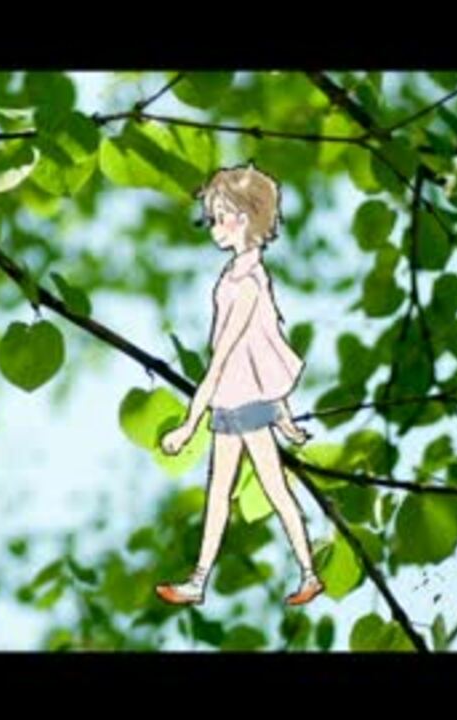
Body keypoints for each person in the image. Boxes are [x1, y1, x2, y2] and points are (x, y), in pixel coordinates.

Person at [156, 163, 324, 607]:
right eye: (211, 218)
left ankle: (308, 573)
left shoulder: (248, 283)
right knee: (221, 493)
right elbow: (261, 346)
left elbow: (229, 356)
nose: (214, 227)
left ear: (246, 218)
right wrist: (284, 415)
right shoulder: (235, 275)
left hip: (241, 399)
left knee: (272, 488)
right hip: (233, 398)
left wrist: (188, 426)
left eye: (220, 217)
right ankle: (198, 582)